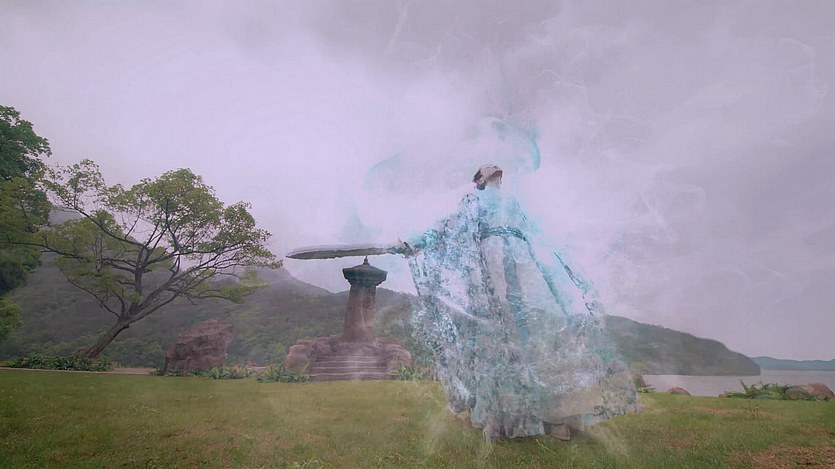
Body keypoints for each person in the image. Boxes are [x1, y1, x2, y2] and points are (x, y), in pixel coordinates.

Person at [399, 164, 636, 440]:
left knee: (535, 331)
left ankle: (552, 415)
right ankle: (504, 417)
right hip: (494, 261)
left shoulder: (510, 202)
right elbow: (448, 226)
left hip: (522, 264)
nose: (494, 171)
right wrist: (414, 242)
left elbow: (537, 233)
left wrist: (557, 269)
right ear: (482, 179)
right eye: (488, 170)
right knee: (500, 334)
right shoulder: (476, 201)